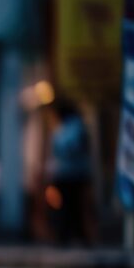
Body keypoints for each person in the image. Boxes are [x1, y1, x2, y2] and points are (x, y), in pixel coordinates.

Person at [47, 102, 91, 245]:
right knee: (71, 205)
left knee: (70, 206)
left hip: (70, 173)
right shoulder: (71, 127)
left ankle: (69, 235)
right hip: (72, 173)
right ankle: (72, 235)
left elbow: (66, 149)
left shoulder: (70, 128)